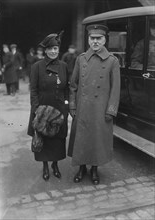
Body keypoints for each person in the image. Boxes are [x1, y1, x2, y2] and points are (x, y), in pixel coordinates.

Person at [68, 24, 120, 185]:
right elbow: (73, 84)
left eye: (99, 38)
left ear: (105, 40)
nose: (95, 42)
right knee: (82, 139)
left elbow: (116, 88)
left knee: (97, 139)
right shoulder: (81, 58)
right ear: (88, 40)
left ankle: (95, 169)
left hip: (100, 108)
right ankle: (82, 167)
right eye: (92, 38)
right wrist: (72, 105)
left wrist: (111, 110)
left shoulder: (112, 61)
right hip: (83, 107)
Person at [27, 32, 69, 181]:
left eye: (56, 48)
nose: (53, 51)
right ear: (45, 50)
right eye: (50, 48)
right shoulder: (37, 67)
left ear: (59, 50)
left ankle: (55, 165)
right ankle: (45, 165)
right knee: (43, 138)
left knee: (58, 139)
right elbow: (33, 90)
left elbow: (67, 89)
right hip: (42, 108)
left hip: (59, 109)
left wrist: (66, 106)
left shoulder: (64, 66)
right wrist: (37, 108)